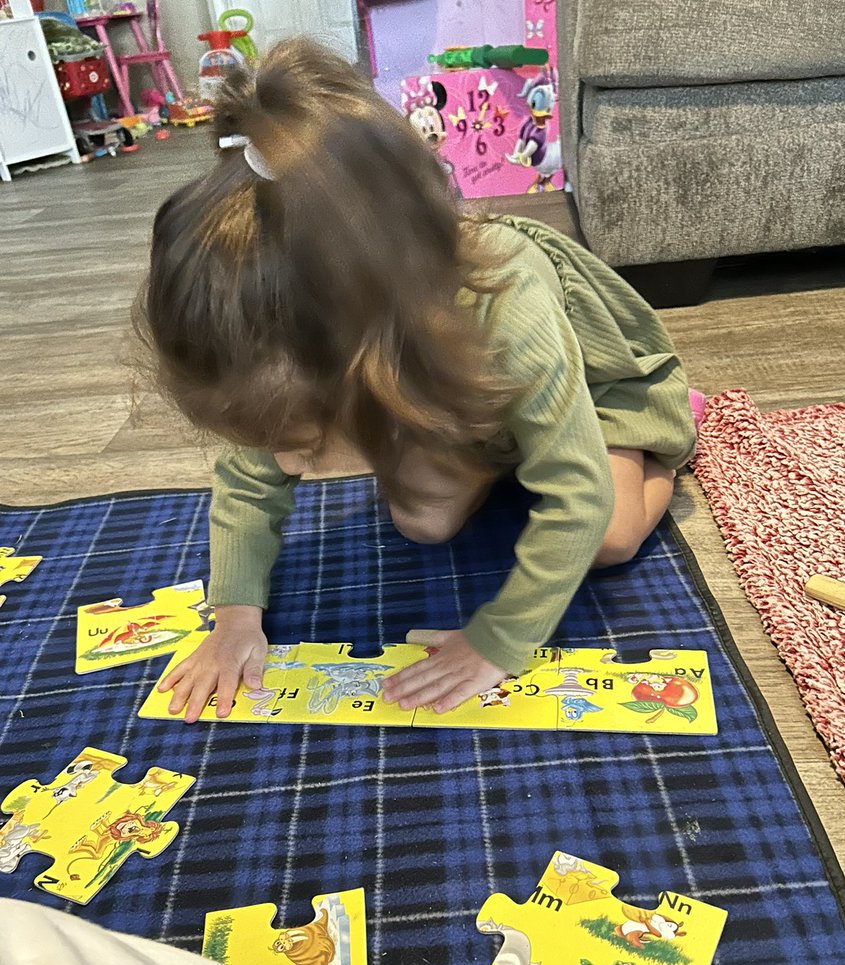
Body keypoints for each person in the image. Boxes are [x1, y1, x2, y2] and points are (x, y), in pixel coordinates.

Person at [135, 38, 700, 724]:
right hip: (461, 405)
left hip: (597, 388)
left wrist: (497, 642)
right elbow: (249, 480)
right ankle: (501, 454)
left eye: (302, 440)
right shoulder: (283, 319)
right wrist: (233, 621)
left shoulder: (507, 300)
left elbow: (577, 497)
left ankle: (668, 433)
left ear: (361, 352)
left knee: (609, 537)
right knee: (423, 525)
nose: (285, 464)